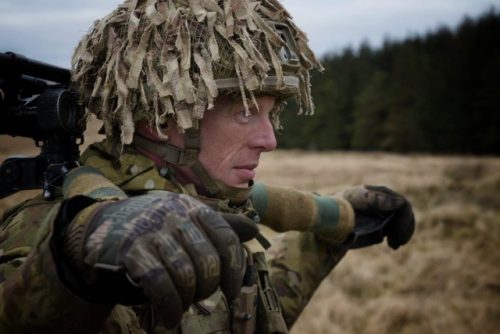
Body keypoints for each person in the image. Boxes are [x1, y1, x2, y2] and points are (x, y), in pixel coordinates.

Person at [0, 0, 415, 333]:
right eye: (246, 112)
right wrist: (73, 269)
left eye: (272, 113)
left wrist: (333, 231)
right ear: (164, 119)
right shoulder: (76, 232)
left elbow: (240, 318)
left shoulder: (204, 203)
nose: (269, 140)